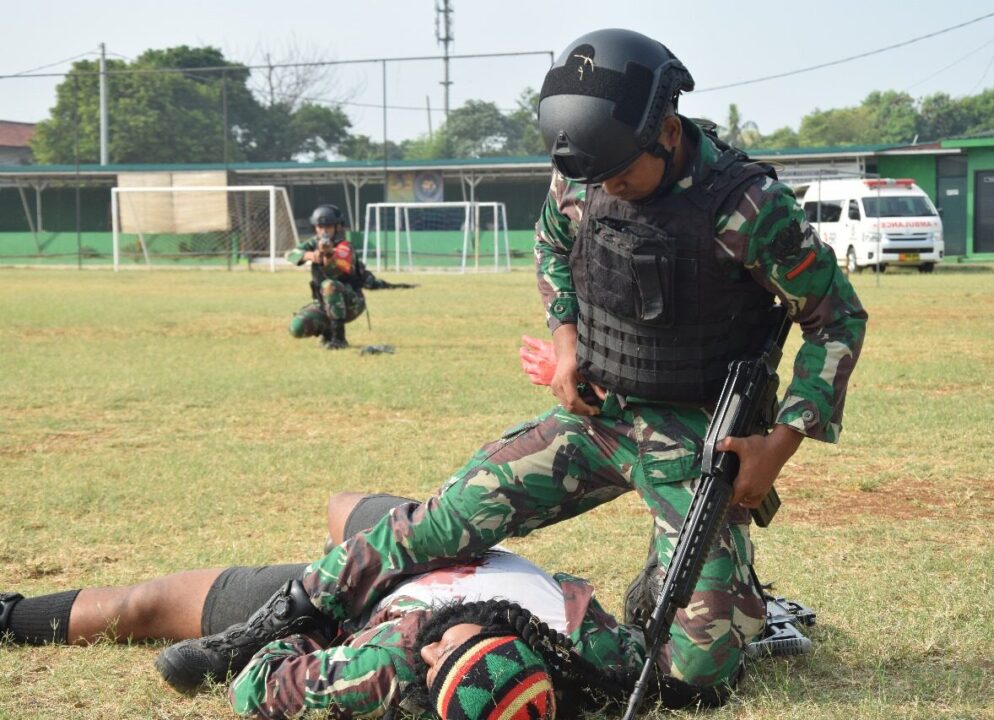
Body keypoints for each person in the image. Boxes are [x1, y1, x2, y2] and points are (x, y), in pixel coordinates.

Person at [161, 27, 866, 707]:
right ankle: (264, 628)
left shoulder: (747, 208)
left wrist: (779, 444)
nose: (605, 189)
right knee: (444, 520)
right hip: (599, 416)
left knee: (696, 679)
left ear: (669, 135)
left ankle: (643, 610)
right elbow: (553, 248)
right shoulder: (584, 177)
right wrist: (565, 342)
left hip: (695, 439)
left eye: (621, 174)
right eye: (592, 177)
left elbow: (835, 320)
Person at [1, 493, 691, 719]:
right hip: (416, 543)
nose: (431, 652)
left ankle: (10, 615)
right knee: (341, 507)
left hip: (356, 600)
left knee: (147, 606)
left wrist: (312, 637)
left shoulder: (386, 661)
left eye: (434, 668)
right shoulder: (596, 655)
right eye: (440, 653)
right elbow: (677, 648)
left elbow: (258, 685)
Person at [287, 204, 369, 350]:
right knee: (297, 327)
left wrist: (329, 254)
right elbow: (290, 254)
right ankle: (328, 333)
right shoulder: (313, 243)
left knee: (329, 285)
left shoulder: (345, 246)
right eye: (320, 226)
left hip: (352, 303)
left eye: (328, 226)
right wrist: (312, 255)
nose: (324, 230)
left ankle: (339, 339)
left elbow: (335, 271)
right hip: (324, 303)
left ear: (337, 227)